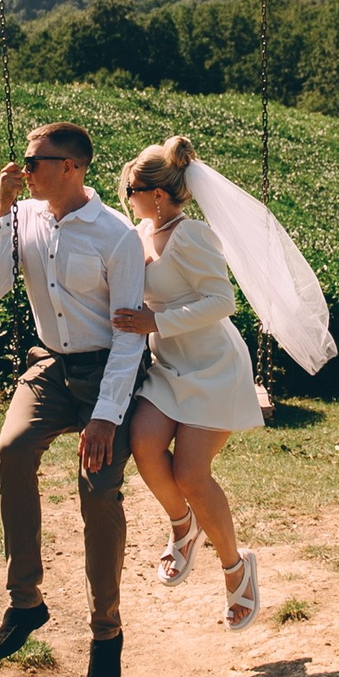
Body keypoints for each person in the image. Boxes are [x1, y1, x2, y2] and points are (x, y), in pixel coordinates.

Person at [0, 121, 146, 677]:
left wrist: (105, 415)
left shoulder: (115, 236)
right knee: (12, 451)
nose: (24, 169)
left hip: (106, 373)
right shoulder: (23, 217)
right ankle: (27, 601)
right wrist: (0, 210)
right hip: (48, 365)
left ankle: (107, 631)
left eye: (35, 161)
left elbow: (129, 337)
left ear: (70, 166)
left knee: (98, 492)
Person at [110, 137, 270, 630]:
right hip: (167, 367)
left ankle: (235, 569)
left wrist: (155, 322)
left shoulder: (192, 235)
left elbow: (222, 302)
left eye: (131, 187)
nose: (126, 194)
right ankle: (184, 525)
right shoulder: (140, 232)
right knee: (144, 443)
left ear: (158, 193)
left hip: (213, 369)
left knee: (192, 476)